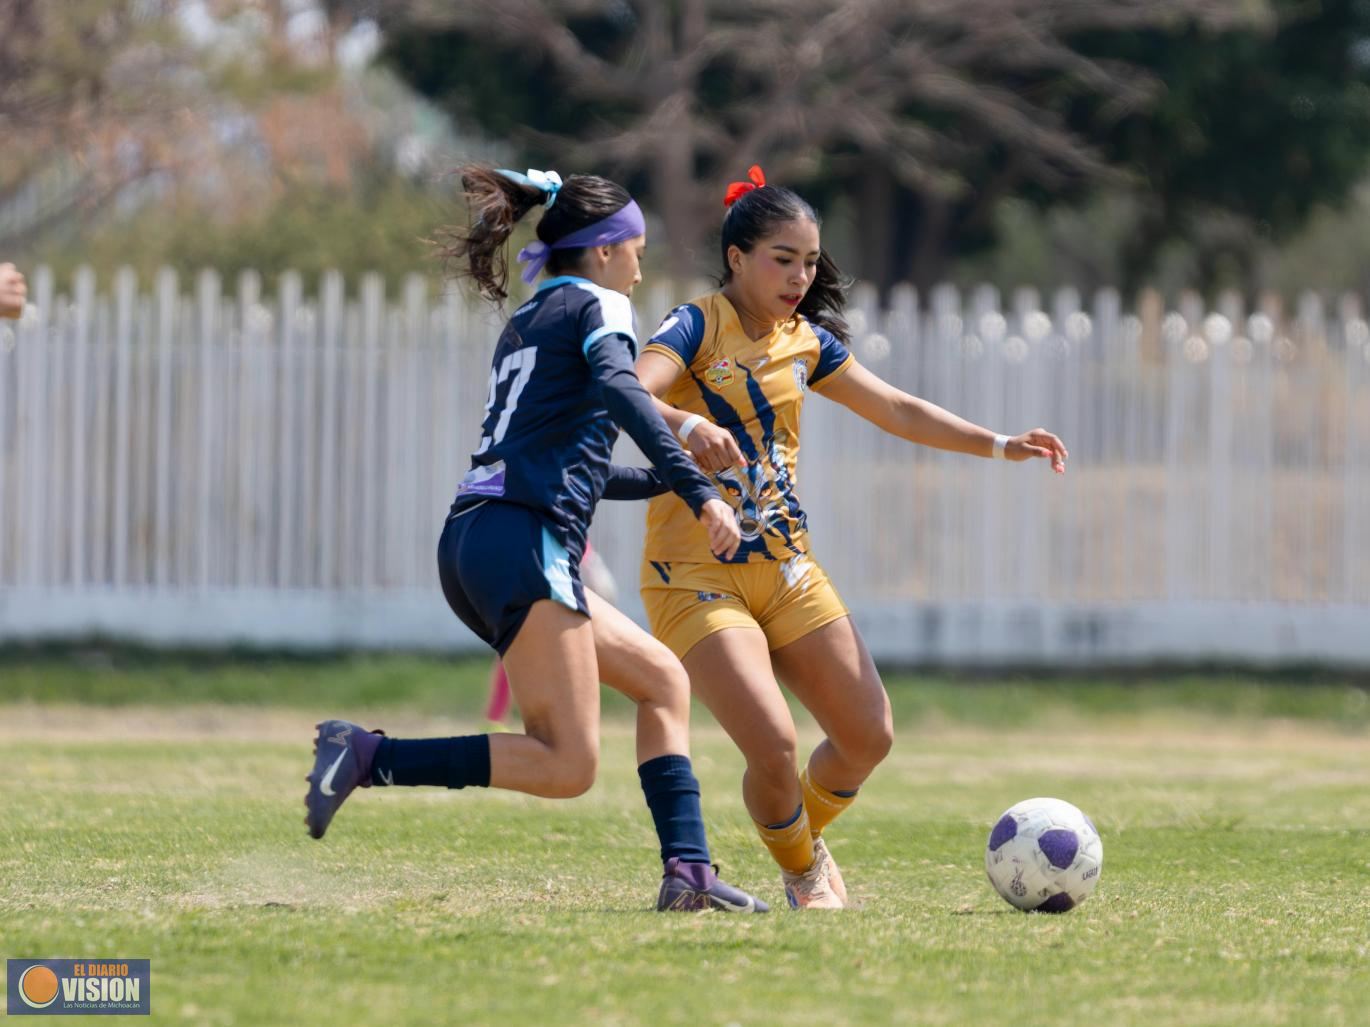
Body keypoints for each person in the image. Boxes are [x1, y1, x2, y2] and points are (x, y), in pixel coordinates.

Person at [305, 166, 768, 914]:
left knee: (661, 679)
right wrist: (696, 488)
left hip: (483, 536)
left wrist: (660, 480)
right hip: (523, 539)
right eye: (637, 248)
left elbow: (569, 462)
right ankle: (369, 756)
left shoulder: (531, 318)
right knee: (569, 762)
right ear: (608, 250)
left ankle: (689, 873)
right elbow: (626, 393)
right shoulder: (601, 304)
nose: (642, 266)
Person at [634, 165, 1068, 909]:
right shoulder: (696, 323)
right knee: (771, 743)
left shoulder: (804, 340)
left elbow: (898, 409)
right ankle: (804, 872)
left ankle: (791, 830)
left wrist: (1002, 443)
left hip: (786, 567)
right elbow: (632, 393)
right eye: (783, 257)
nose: (801, 275)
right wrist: (691, 422)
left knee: (868, 735)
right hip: (694, 572)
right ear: (737, 257)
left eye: (809, 260)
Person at [484, 542, 618, 724]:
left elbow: (594, 573)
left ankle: (563, 719)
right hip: (545, 590)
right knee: (514, 653)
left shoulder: (575, 540)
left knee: (527, 655)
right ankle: (498, 718)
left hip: (564, 598)